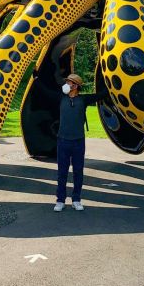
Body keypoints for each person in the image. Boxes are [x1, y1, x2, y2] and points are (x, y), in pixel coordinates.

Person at [32, 71, 107, 211]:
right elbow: (46, 91)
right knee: (62, 172)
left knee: (78, 172)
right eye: (66, 82)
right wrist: (37, 78)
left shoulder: (83, 100)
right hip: (63, 141)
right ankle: (60, 200)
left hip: (78, 142)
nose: (66, 84)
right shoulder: (61, 97)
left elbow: (102, 94)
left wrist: (111, 83)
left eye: (69, 82)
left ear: (75, 86)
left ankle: (76, 200)